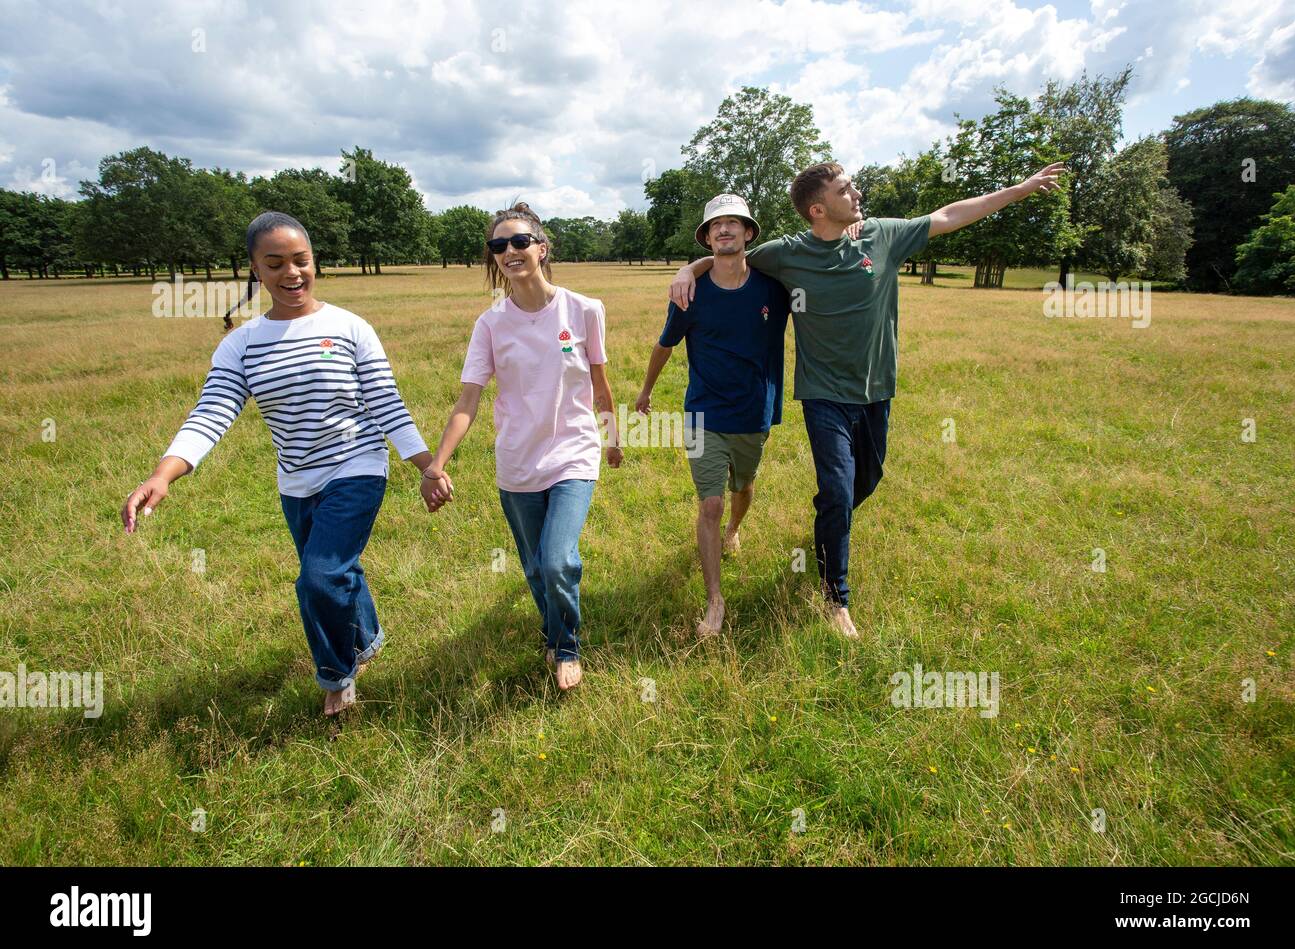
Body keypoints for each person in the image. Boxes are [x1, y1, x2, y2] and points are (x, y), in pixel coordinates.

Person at [671, 161, 1065, 638]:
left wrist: (1020, 189)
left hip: (877, 392)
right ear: (819, 209)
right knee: (837, 490)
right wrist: (690, 267)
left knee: (865, 481)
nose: (856, 193)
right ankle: (836, 598)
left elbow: (950, 215)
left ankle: (828, 525)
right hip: (822, 395)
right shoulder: (788, 254)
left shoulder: (881, 236)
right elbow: (732, 256)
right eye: (845, 188)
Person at [121, 211, 437, 716]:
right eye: (275, 264)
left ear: (315, 263)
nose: (291, 273)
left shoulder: (350, 327)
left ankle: (337, 675)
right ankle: (368, 636)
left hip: (357, 465)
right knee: (336, 571)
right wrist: (164, 474)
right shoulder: (241, 344)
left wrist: (426, 464)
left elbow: (385, 401)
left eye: (300, 261)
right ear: (255, 270)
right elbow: (213, 411)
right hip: (296, 480)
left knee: (318, 577)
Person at [423, 202, 623, 691]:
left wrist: (612, 437)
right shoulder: (491, 324)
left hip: (574, 452)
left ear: (541, 247)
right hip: (517, 462)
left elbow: (600, 383)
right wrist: (436, 464)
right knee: (535, 566)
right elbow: (468, 398)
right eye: (498, 246)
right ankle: (552, 633)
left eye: (518, 242)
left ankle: (568, 645)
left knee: (558, 560)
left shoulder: (584, 309)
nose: (509, 251)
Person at [636, 194, 789, 636]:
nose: (724, 230)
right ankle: (714, 601)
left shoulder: (773, 287)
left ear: (748, 233)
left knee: (742, 486)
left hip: (754, 411)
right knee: (711, 501)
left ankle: (736, 529)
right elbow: (664, 345)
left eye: (733, 223)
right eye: (716, 225)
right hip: (703, 412)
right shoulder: (690, 293)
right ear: (706, 237)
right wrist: (645, 392)